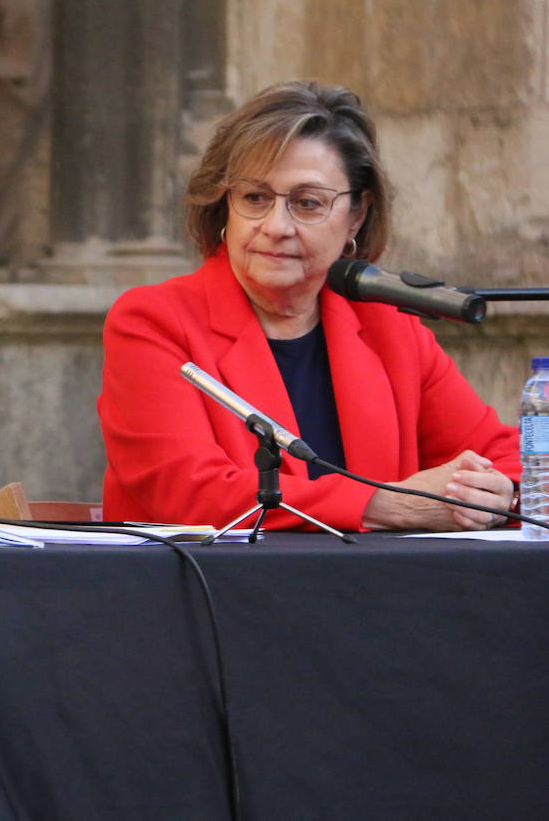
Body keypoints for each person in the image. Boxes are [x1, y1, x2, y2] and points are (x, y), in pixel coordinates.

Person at [98, 80, 519, 531]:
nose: (276, 225)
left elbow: (510, 457)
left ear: (357, 214)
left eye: (307, 202)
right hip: (209, 594)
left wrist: (499, 491)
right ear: (225, 204)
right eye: (254, 198)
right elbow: (191, 492)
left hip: (366, 595)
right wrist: (389, 505)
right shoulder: (153, 322)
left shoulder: (388, 326)